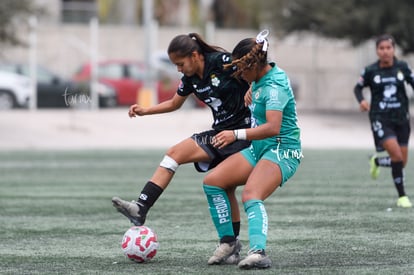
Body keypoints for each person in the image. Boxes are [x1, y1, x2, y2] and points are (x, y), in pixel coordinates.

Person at [111, 33, 252, 262]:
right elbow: (175, 103)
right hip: (218, 135)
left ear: (195, 55)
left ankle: (230, 245)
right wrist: (145, 110)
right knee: (174, 154)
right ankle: (141, 207)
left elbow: (253, 71)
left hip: (244, 134)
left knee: (227, 189)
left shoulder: (222, 61)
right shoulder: (190, 78)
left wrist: (253, 87)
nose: (178, 69)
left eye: (180, 64)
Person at [202, 30, 302, 269]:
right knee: (213, 182)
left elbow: (273, 127)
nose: (240, 75)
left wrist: (235, 134)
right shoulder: (261, 77)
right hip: (259, 148)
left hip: (282, 150)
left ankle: (258, 252)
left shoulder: (274, 86)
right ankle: (229, 244)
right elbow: (260, 83)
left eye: (243, 70)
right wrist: (252, 86)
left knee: (251, 195)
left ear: (255, 65)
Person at [354, 34, 413, 208]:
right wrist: (362, 101)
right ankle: (402, 196)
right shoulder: (371, 70)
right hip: (381, 118)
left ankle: (377, 161)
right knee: (396, 155)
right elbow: (357, 88)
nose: (386, 51)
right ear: (377, 51)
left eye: (389, 48)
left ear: (394, 49)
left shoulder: (403, 67)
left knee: (401, 161)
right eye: (382, 48)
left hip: (402, 118)